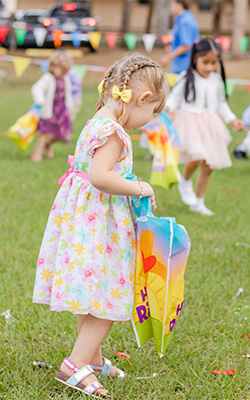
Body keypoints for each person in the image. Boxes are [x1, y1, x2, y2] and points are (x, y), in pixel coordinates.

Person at [33, 53, 168, 397]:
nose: (144, 123)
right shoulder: (115, 132)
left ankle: (92, 359)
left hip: (83, 221)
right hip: (98, 225)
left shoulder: (99, 119)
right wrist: (142, 187)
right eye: (150, 115)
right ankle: (74, 366)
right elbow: (100, 176)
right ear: (142, 99)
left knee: (92, 297)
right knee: (107, 300)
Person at [165, 38, 244, 216]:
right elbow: (174, 97)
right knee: (197, 157)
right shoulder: (187, 76)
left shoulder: (216, 79)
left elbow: (220, 104)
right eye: (205, 62)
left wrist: (232, 120)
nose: (209, 67)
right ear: (195, 59)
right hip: (189, 122)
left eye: (213, 63)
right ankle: (185, 180)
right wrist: (168, 108)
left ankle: (199, 202)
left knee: (209, 165)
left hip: (210, 123)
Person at [31, 50, 74, 162]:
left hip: (61, 110)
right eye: (62, 70)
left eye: (66, 71)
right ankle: (37, 153)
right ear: (53, 66)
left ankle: (48, 145)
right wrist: (40, 99)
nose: (64, 72)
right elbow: (37, 88)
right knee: (45, 132)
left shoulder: (65, 79)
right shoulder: (48, 78)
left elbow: (67, 94)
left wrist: (70, 107)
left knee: (63, 134)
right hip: (50, 109)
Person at [161, 0, 200, 74]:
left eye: (172, 5)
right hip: (186, 65)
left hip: (183, 67)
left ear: (179, 5)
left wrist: (168, 57)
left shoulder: (184, 21)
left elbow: (186, 45)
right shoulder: (188, 18)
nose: (171, 8)